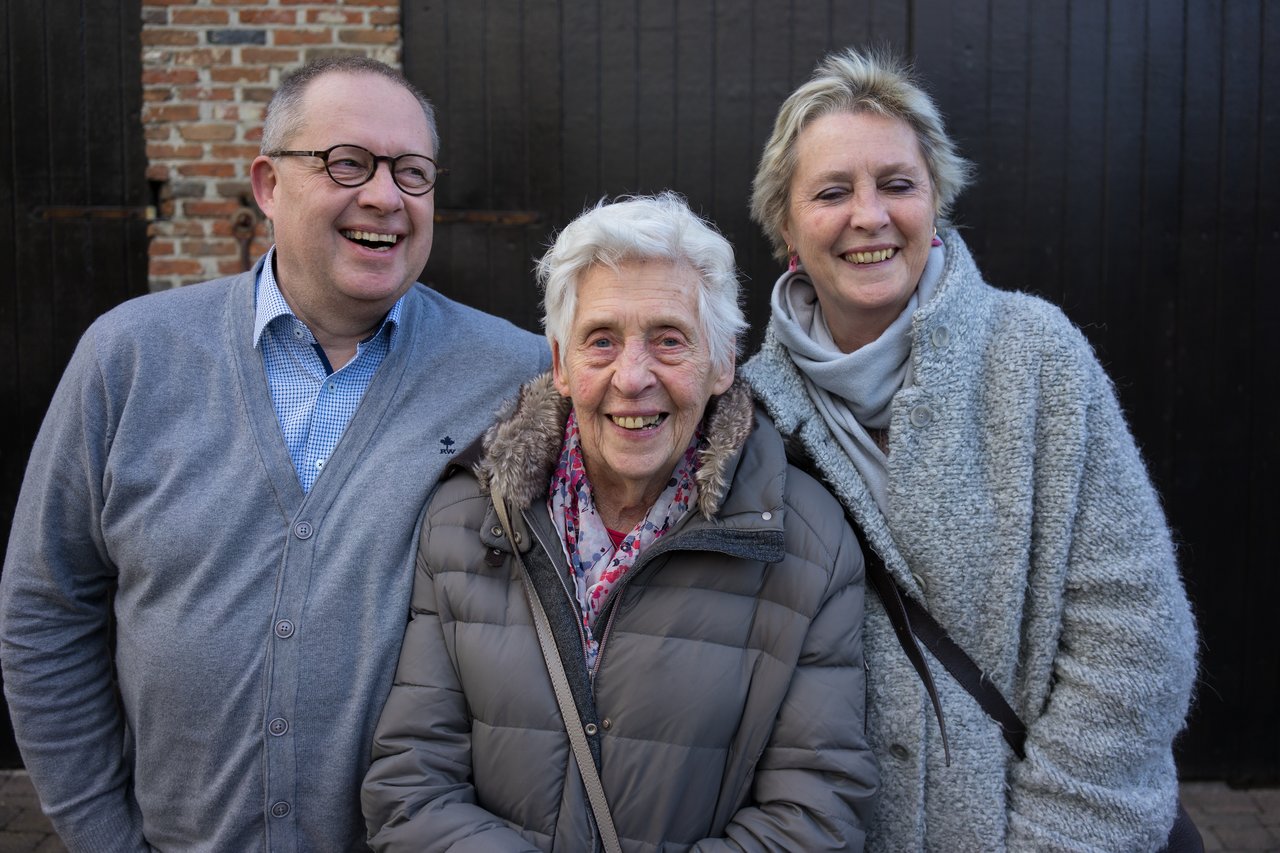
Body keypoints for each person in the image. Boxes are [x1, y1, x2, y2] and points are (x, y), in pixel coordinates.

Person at [0, 56, 549, 851]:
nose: (386, 197)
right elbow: (47, 608)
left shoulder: (514, 378)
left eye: (414, 173)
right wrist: (100, 834)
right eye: (347, 162)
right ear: (267, 184)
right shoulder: (129, 358)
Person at [741, 48, 1197, 851]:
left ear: (936, 202)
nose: (869, 216)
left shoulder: (1037, 356)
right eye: (832, 192)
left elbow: (1135, 636)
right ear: (786, 224)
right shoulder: (745, 410)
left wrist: (1058, 836)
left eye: (897, 184)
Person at [361, 192, 878, 851]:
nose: (633, 377)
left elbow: (816, 813)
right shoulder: (465, 520)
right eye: (601, 341)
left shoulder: (808, 541)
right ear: (561, 364)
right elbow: (412, 787)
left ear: (722, 363)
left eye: (669, 340)